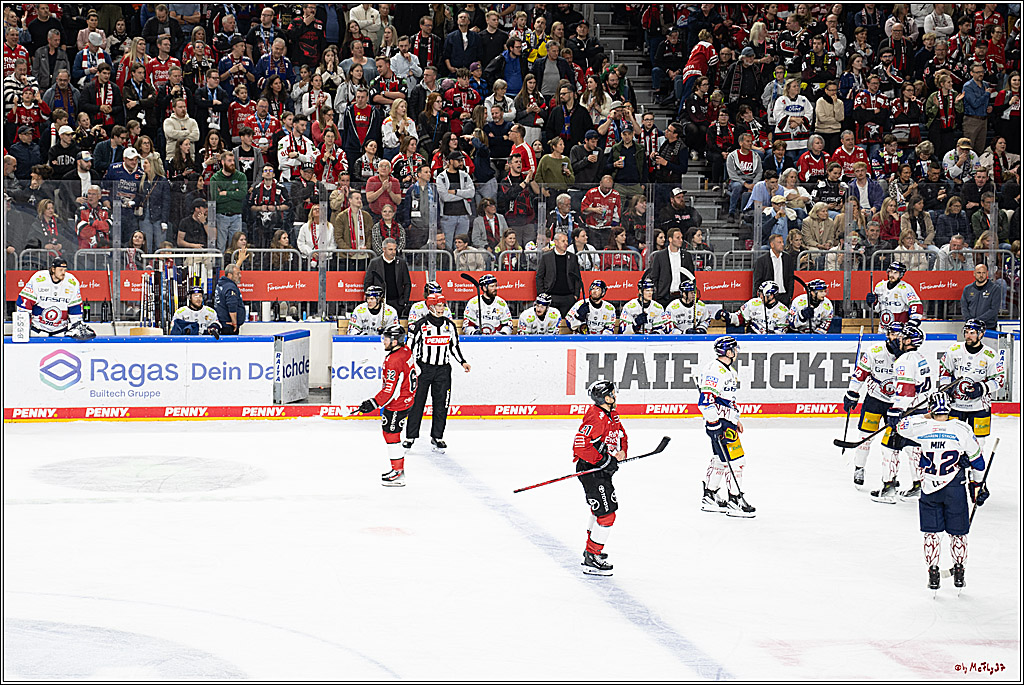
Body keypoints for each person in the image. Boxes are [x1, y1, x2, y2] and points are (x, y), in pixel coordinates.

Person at [889, 393, 988, 590]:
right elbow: (978, 462)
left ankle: (933, 573)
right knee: (958, 534)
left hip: (930, 488)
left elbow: (900, 425)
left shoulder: (921, 427)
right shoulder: (962, 429)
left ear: (931, 409)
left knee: (931, 533)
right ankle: (959, 572)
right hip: (955, 488)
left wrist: (925, 416)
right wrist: (977, 486)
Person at [572, 379, 629, 575]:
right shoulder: (596, 417)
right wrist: (603, 460)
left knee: (601, 510)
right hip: (591, 470)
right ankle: (592, 555)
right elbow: (580, 446)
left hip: (602, 469)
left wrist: (621, 452)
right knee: (607, 514)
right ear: (606, 397)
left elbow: (620, 435)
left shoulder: (611, 414)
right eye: (613, 393)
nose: (616, 395)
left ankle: (591, 550)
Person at [405, 292, 471, 453]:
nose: (441, 309)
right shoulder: (419, 325)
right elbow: (409, 348)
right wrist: (411, 368)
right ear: (430, 307)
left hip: (443, 370)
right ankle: (410, 436)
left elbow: (454, 347)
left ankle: (437, 436)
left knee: (441, 404)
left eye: (443, 305)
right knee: (417, 403)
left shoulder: (450, 325)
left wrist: (462, 362)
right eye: (438, 306)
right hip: (423, 369)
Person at [353, 324, 418, 487]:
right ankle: (397, 470)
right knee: (390, 434)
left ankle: (398, 473)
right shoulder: (406, 351)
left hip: (397, 404)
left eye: (387, 339)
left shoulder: (393, 360)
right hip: (407, 399)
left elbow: (390, 390)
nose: (384, 342)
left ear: (395, 341)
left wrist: (372, 403)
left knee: (391, 434)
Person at [698, 336, 755, 517]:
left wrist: (734, 419)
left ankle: (710, 495)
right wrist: (714, 424)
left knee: (720, 459)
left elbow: (727, 400)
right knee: (737, 462)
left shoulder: (726, 370)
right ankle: (735, 499)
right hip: (720, 423)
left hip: (724, 421)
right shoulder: (715, 371)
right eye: (734, 349)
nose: (736, 352)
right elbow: (705, 402)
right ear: (728, 352)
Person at [879, 324, 932, 501]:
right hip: (920, 411)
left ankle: (888, 488)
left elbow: (906, 391)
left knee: (888, 447)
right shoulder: (920, 357)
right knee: (914, 449)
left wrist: (896, 410)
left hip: (906, 411)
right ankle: (919, 486)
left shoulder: (904, 361)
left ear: (909, 341)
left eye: (902, 338)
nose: (898, 340)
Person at [940, 318, 1005, 454]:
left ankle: (975, 472)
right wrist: (947, 389)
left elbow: (999, 380)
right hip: (956, 405)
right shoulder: (955, 350)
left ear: (981, 334)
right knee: (954, 440)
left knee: (979, 442)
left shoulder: (990, 355)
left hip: (980, 406)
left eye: (973, 333)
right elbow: (944, 370)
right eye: (967, 332)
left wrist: (982, 388)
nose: (968, 336)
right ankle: (958, 472)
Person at [15, 257, 93, 339]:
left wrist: (77, 325)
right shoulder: (38, 278)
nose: (63, 273)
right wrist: (23, 327)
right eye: (60, 270)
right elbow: (24, 304)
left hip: (60, 331)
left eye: (64, 270)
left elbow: (75, 308)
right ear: (53, 269)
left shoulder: (72, 282)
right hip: (37, 331)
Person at [866, 261, 924, 332]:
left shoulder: (905, 288)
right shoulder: (880, 286)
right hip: (883, 329)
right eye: (890, 272)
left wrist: (914, 320)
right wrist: (872, 303)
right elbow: (877, 309)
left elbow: (916, 304)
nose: (892, 275)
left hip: (899, 330)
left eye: (895, 273)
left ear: (901, 274)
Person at [717, 280, 790, 334]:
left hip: (771, 342)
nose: (760, 296)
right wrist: (728, 316)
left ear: (771, 295)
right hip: (752, 337)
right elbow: (740, 318)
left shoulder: (783, 311)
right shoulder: (753, 303)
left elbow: (780, 335)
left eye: (762, 294)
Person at [960, 263, 1002, 330]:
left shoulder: (995, 289)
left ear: (987, 274)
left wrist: (977, 321)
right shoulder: (967, 289)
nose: (981, 275)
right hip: (971, 327)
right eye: (979, 273)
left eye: (984, 273)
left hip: (988, 327)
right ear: (974, 273)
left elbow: (994, 310)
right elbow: (964, 307)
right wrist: (970, 320)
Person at [214, 263, 245, 335]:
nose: (240, 276)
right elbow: (232, 305)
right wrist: (234, 322)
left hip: (222, 322)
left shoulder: (221, 284)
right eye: (237, 274)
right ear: (229, 275)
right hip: (229, 326)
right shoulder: (230, 287)